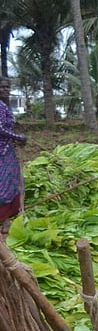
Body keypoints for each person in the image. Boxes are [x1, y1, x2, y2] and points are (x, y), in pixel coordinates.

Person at [0, 76, 27, 244]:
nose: (5, 90)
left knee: (10, 180)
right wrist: (19, 137)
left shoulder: (4, 105)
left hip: (7, 148)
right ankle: (4, 220)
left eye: (8, 87)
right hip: (2, 150)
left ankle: (7, 219)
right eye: (2, 87)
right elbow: (0, 128)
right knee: (6, 182)